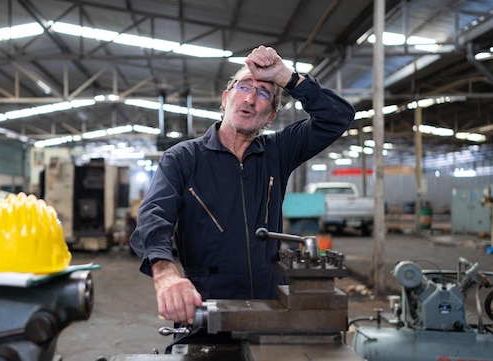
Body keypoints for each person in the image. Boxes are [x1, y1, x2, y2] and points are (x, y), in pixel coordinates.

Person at [129, 45, 355, 348]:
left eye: (263, 93)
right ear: (226, 98)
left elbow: (338, 116)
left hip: (272, 314)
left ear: (271, 115)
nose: (250, 98)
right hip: (206, 315)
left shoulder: (278, 152)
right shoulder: (184, 158)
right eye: (243, 86)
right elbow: (153, 216)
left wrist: (285, 77)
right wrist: (165, 272)